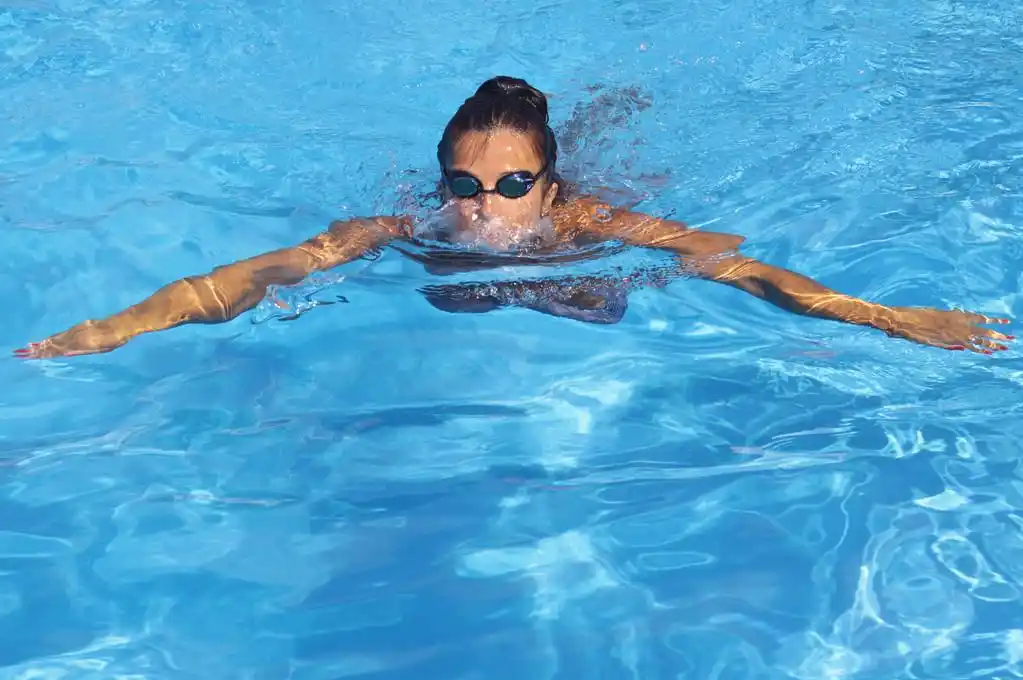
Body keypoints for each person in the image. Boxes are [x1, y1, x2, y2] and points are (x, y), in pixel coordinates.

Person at [16, 76, 1014, 359]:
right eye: (464, 185)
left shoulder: (586, 220)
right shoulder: (406, 225)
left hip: (586, 260)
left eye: (508, 187)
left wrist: (903, 321)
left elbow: (743, 268)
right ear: (440, 181)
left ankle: (611, 112)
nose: (481, 208)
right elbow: (253, 275)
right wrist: (116, 331)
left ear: (545, 186)